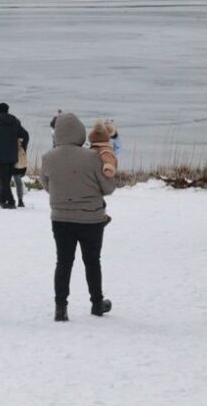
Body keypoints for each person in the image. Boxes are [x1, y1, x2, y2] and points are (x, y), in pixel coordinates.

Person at [41, 112, 116, 322]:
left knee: (63, 262)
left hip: (60, 218)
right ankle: (97, 304)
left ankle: (60, 307)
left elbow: (46, 184)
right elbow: (107, 187)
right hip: (91, 219)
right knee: (92, 262)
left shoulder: (48, 157)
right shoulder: (92, 157)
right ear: (80, 132)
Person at [0, 102, 29, 208]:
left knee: (4, 180)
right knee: (6, 178)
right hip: (13, 155)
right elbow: (25, 135)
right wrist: (23, 148)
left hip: (1, 155)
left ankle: (10, 202)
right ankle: (0, 199)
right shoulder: (15, 121)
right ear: (7, 110)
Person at [13, 138, 28, 208]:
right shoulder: (23, 145)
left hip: (14, 166)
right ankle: (20, 201)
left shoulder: (11, 143)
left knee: (3, 181)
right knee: (19, 183)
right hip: (20, 167)